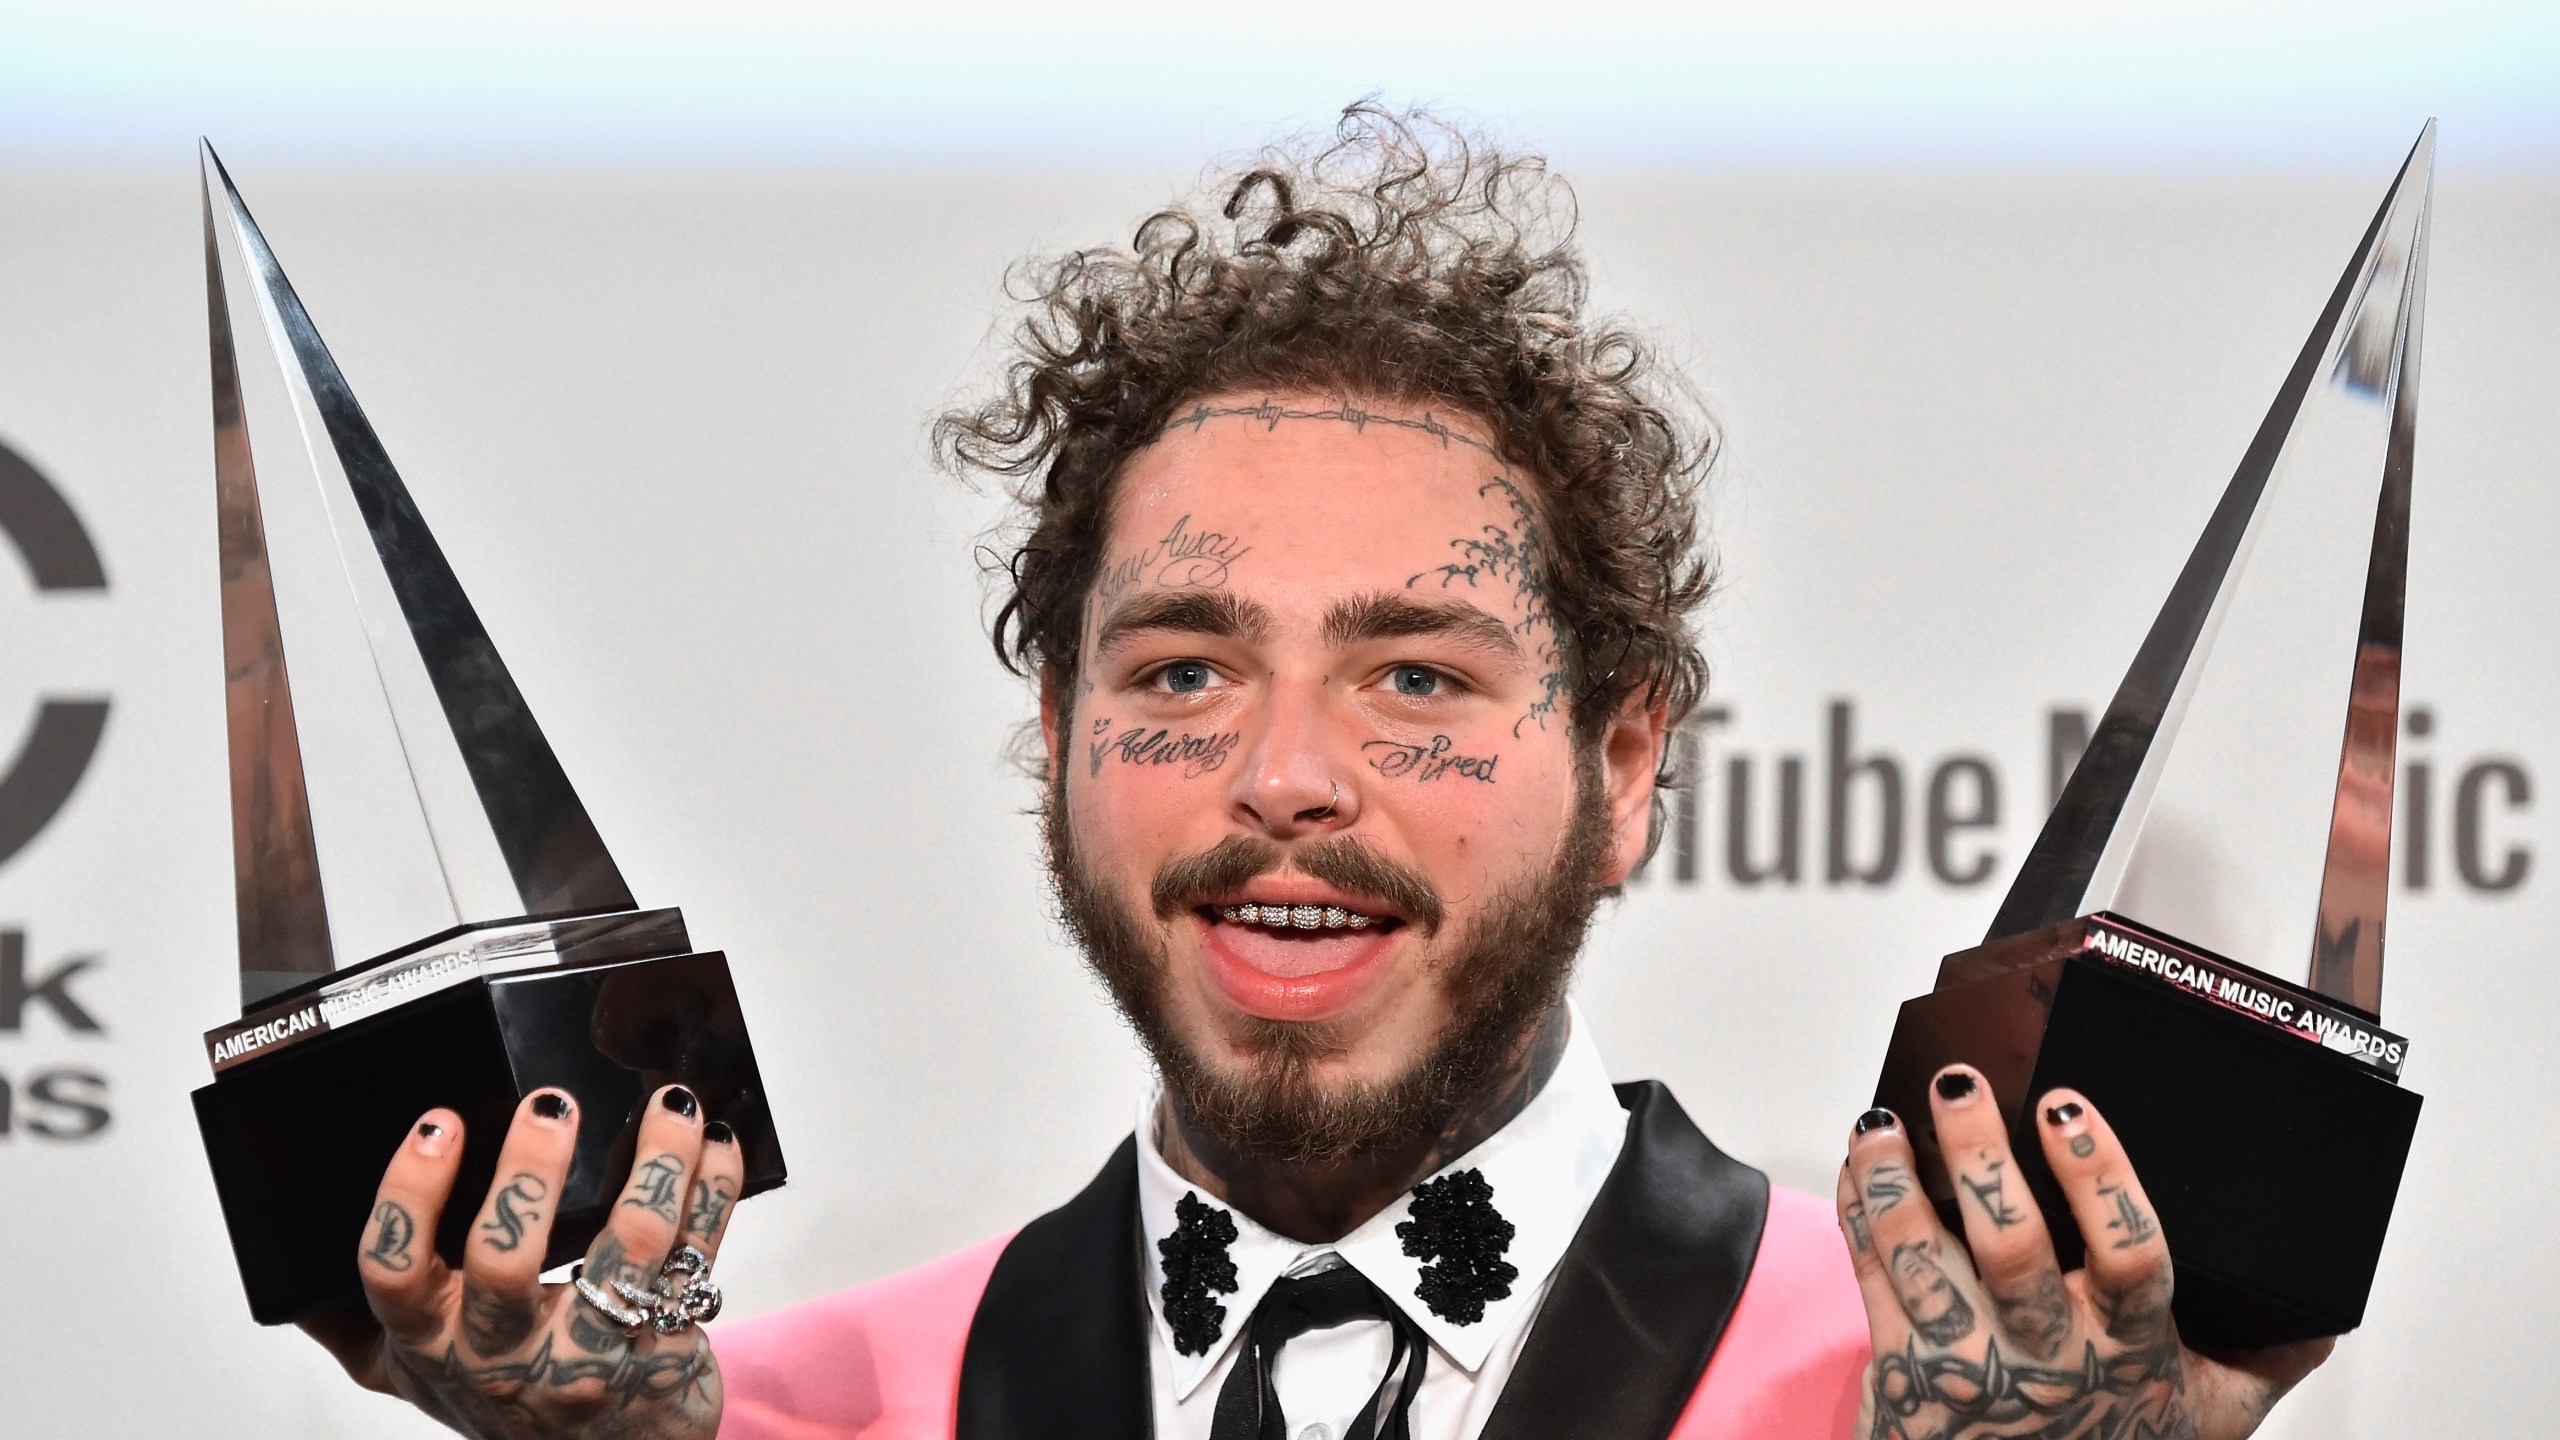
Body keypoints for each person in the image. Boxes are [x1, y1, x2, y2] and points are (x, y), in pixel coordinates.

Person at [299, 105, 2336, 1440]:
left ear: (1623, 765)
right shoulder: (799, 1405)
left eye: (1415, 680)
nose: (1283, 775)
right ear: (1058, 748)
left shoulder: (1944, 1385)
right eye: (1183, 667)